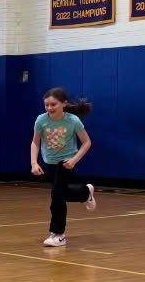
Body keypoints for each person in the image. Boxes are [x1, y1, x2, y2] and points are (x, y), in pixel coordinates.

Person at [31, 87, 96, 247]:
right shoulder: (41, 120)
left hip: (66, 163)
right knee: (61, 193)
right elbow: (35, 142)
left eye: (53, 104)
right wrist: (34, 162)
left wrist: (74, 160)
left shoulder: (73, 121)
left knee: (56, 195)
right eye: (46, 105)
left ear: (64, 104)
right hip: (50, 162)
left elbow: (87, 142)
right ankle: (85, 192)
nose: (49, 108)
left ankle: (58, 234)